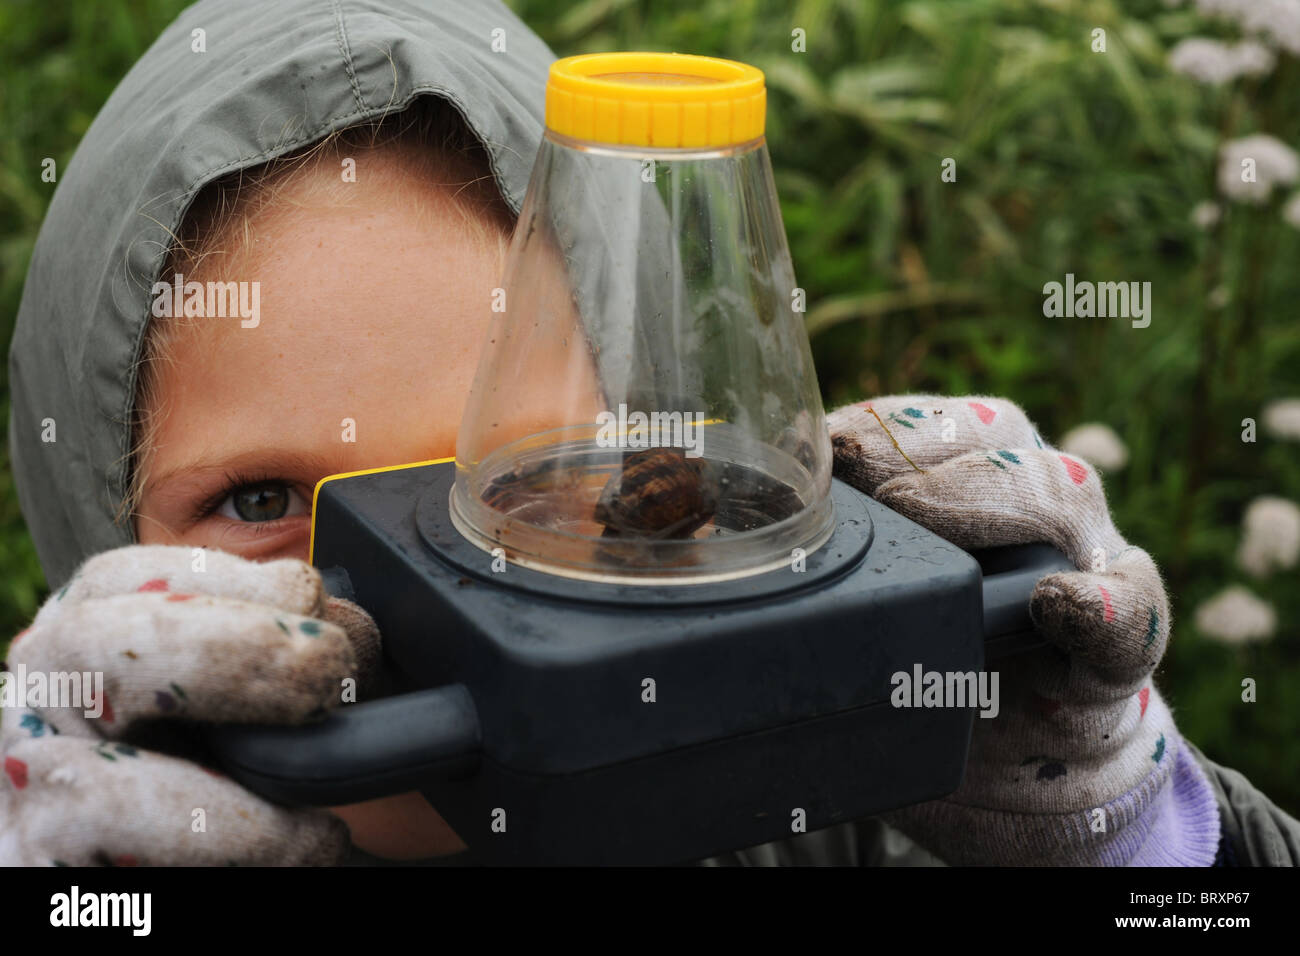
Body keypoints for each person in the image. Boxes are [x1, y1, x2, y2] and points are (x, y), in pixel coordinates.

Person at [4, 0, 1297, 867]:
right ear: (95, 530)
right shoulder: (77, 841)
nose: (401, 601)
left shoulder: (823, 809)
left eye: (497, 473)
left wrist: (1138, 832)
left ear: (660, 482)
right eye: (258, 499)